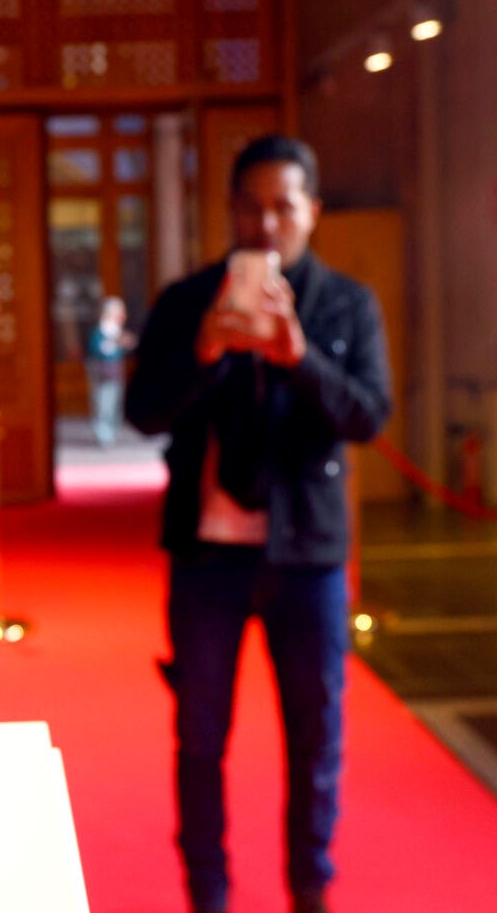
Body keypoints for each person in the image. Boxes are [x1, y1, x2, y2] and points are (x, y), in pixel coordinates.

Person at [125, 134, 391, 913]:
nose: (267, 222)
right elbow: (143, 412)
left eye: (284, 205)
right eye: (251, 205)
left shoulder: (346, 304)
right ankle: (207, 893)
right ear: (231, 210)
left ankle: (310, 888)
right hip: (206, 557)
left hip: (307, 555)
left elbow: (369, 415)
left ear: (312, 210)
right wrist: (205, 349)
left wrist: (299, 357)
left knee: (316, 737)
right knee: (201, 738)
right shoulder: (187, 300)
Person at [86, 296, 136, 447]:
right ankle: (103, 434)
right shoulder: (100, 332)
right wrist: (114, 343)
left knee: (114, 402)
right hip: (102, 371)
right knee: (103, 402)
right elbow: (97, 350)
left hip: (115, 371)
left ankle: (111, 432)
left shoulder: (117, 331)